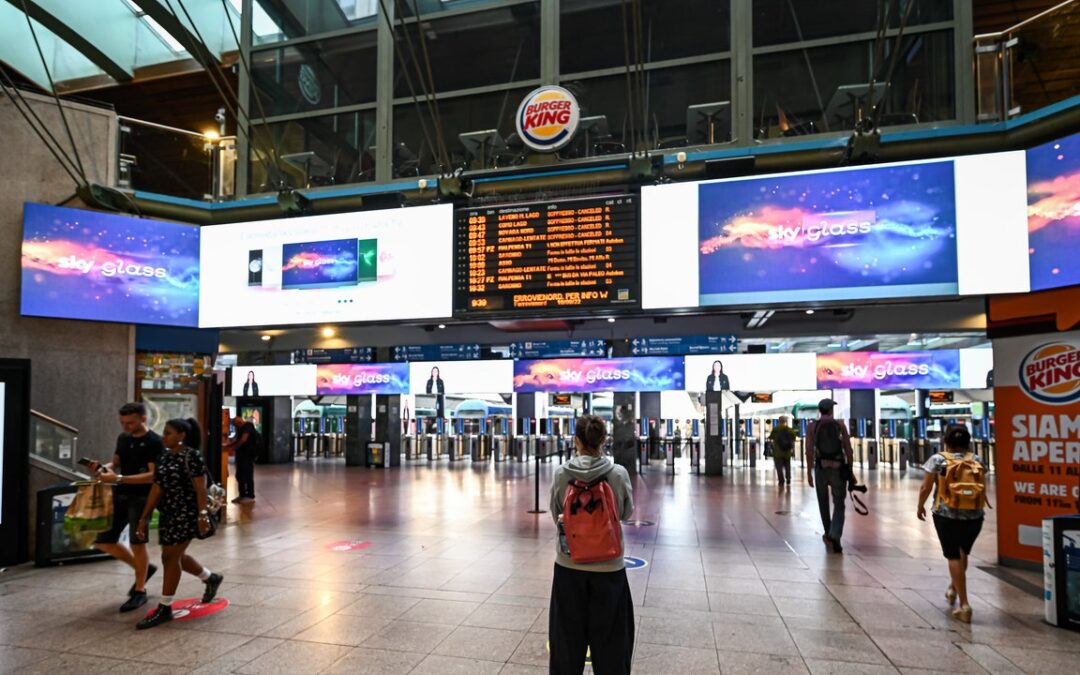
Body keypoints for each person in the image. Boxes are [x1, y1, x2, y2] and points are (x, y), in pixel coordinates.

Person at [548, 415, 634, 675]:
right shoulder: (617, 473)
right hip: (609, 569)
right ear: (604, 440)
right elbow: (626, 513)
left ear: (576, 440)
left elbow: (556, 515)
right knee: (612, 644)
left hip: (569, 565)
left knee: (566, 642)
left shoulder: (562, 473)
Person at [135, 418, 223, 629]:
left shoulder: (192, 456)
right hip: (168, 512)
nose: (164, 437)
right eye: (164, 433)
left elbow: (200, 488)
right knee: (176, 556)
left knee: (170, 557)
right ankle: (210, 578)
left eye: (169, 433)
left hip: (187, 513)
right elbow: (157, 488)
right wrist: (144, 516)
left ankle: (165, 607)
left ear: (182, 436)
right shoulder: (164, 456)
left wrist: (202, 515)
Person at [88, 402, 163, 613]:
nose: (125, 426)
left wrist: (119, 478)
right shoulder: (123, 438)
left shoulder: (154, 442)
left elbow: (152, 475)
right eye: (122, 422)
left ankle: (140, 590)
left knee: (137, 542)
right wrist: (102, 468)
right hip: (119, 495)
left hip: (141, 498)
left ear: (143, 419)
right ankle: (144, 569)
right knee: (104, 541)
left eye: (130, 422)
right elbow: (115, 463)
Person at [917, 424, 987, 624]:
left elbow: (926, 487)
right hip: (974, 516)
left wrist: (920, 506)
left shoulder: (938, 460)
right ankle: (953, 588)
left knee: (953, 556)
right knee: (962, 552)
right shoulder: (979, 460)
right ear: (968, 442)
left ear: (945, 441)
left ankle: (964, 605)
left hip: (946, 514)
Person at [805, 399, 853, 553]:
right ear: (831, 411)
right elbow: (848, 449)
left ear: (820, 410)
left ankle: (828, 532)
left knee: (823, 503)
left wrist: (809, 472)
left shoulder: (813, 426)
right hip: (838, 469)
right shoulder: (840, 425)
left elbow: (809, 451)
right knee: (839, 503)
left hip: (821, 468)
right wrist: (850, 470)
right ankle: (835, 535)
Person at [224, 415, 259, 504]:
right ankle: (242, 495)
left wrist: (234, 447)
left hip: (248, 455)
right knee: (239, 475)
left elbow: (243, 440)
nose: (236, 426)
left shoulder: (248, 426)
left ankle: (250, 496)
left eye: (236, 424)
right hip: (242, 455)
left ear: (240, 421)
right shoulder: (240, 428)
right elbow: (237, 439)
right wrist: (229, 445)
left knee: (247, 475)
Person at [769, 415, 797, 487]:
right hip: (787, 451)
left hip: (778, 452)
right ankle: (788, 478)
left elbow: (771, 437)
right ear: (785, 421)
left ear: (779, 421)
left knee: (779, 467)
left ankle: (781, 480)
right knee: (787, 465)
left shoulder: (776, 429)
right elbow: (794, 437)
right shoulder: (789, 429)